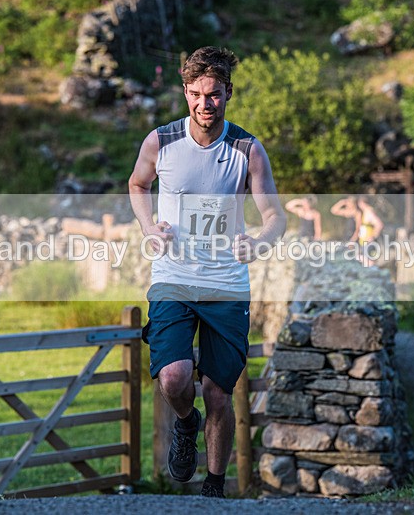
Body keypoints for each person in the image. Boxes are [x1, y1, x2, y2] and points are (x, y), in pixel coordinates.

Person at [128, 46, 286, 498]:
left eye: (213, 95)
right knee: (175, 377)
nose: (204, 104)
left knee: (219, 392)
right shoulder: (161, 142)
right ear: (185, 93)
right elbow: (138, 185)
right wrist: (147, 226)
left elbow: (275, 217)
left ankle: (214, 488)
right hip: (173, 277)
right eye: (195, 94)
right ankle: (185, 421)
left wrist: (257, 242)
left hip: (225, 284)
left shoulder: (247, 149)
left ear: (228, 93)